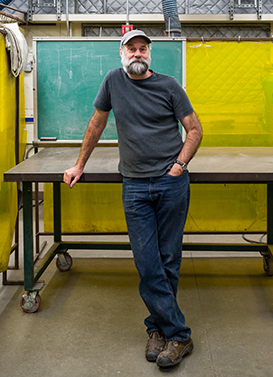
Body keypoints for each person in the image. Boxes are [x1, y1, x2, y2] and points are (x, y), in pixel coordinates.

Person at [63, 29, 203, 368]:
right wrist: (79, 164)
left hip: (170, 184)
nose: (137, 54)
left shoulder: (169, 86)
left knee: (168, 258)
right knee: (147, 262)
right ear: (122, 55)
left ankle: (157, 329)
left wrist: (179, 165)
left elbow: (195, 129)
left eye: (143, 49)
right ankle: (179, 335)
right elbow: (96, 124)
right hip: (135, 187)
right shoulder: (113, 81)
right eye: (131, 49)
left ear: (149, 55)